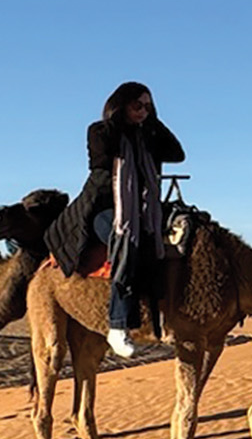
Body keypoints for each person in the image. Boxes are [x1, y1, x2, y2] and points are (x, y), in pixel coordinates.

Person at [46, 82, 186, 357]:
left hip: (144, 209)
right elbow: (99, 162)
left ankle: (161, 316)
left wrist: (154, 122)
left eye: (148, 106)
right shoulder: (100, 131)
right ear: (121, 105)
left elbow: (177, 154)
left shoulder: (149, 135)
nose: (143, 111)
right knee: (126, 243)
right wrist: (121, 123)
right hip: (104, 209)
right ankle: (118, 324)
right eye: (138, 105)